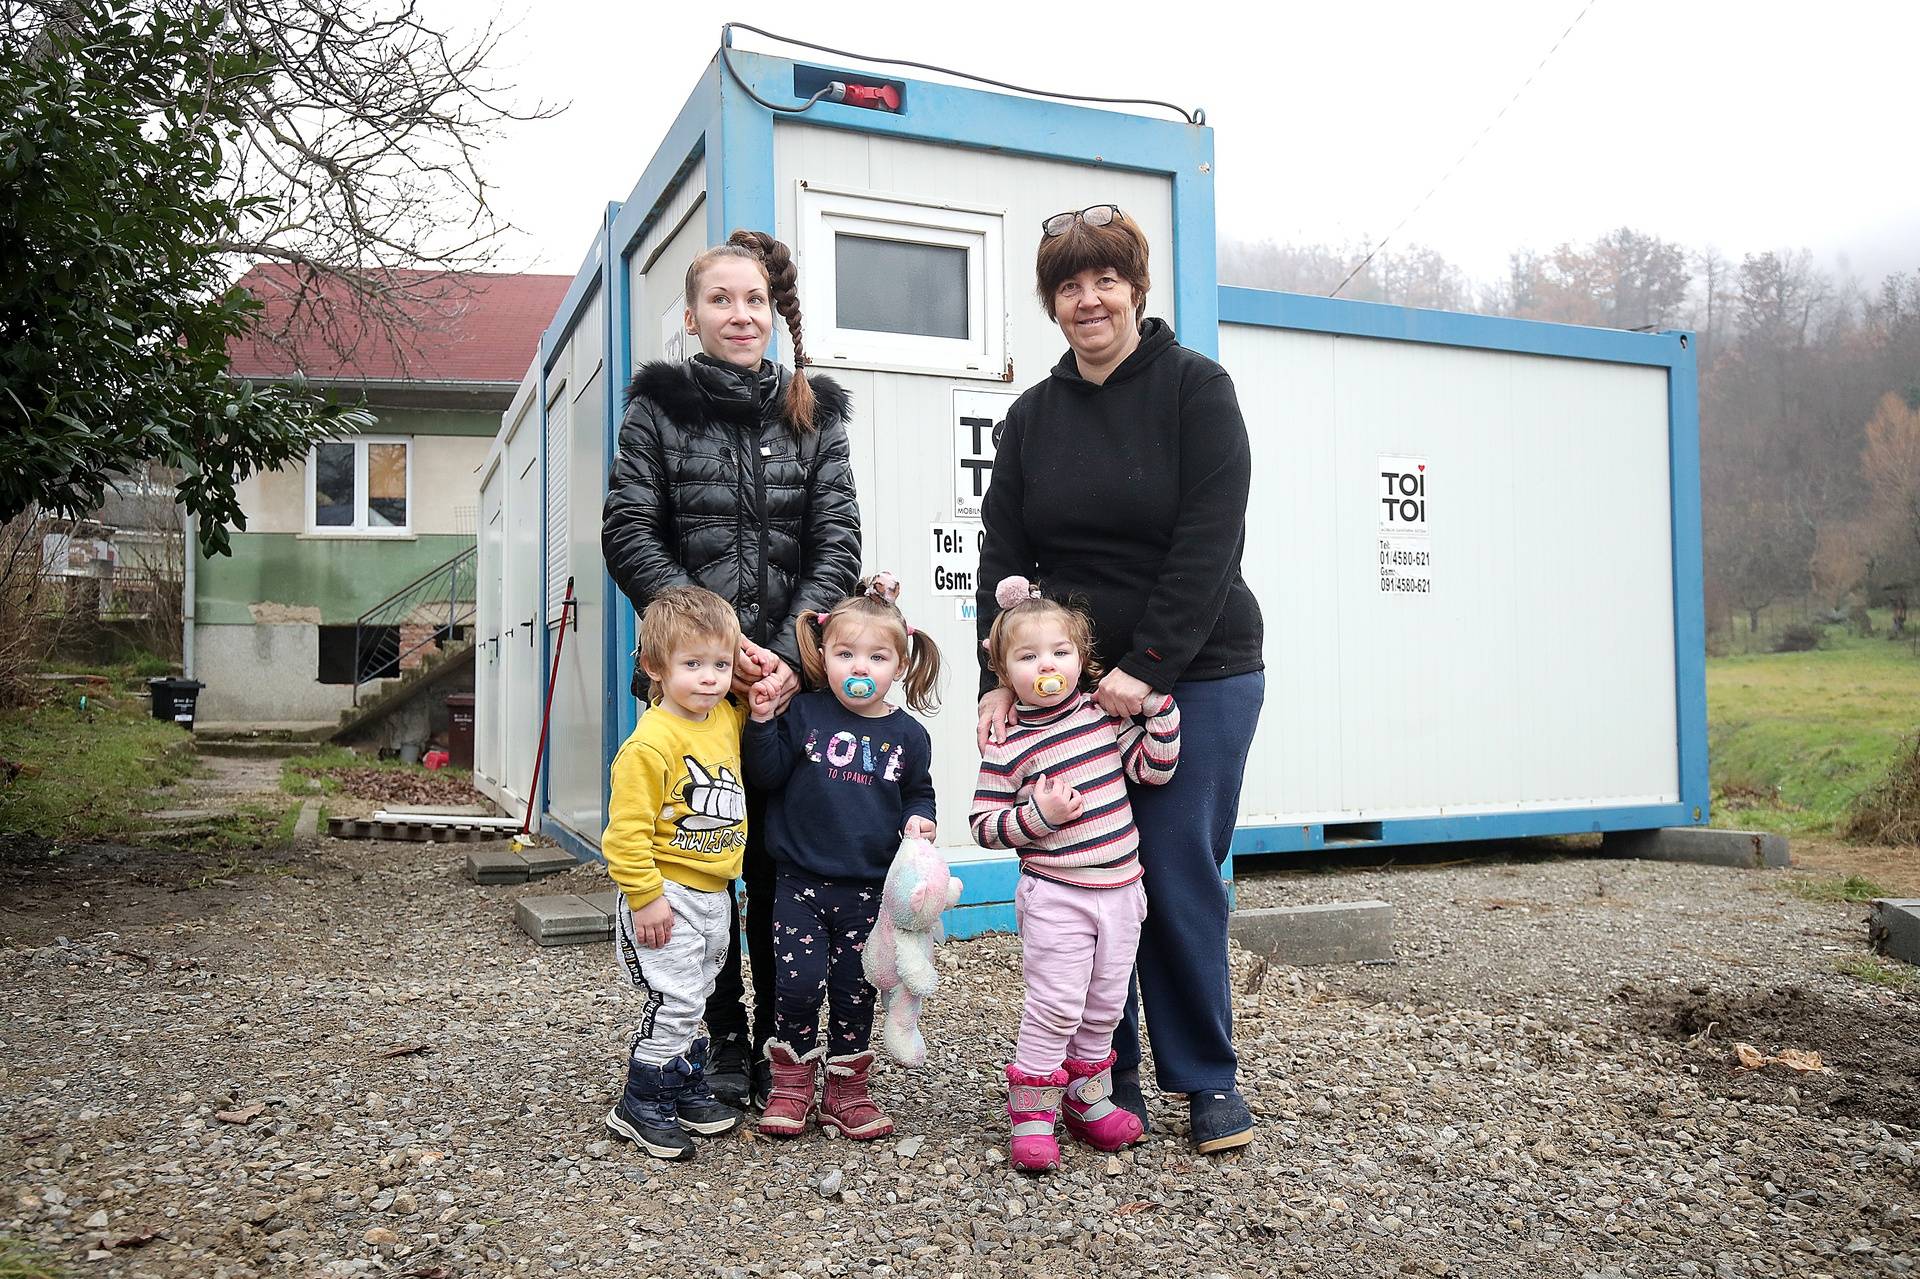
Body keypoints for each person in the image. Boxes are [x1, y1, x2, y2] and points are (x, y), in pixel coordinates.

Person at [974, 204, 1266, 1154]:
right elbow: (1002, 552)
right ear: (1051, 304)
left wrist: (1145, 669)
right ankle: (1104, 1079)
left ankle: (1205, 1079)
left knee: (1174, 874)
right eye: (1068, 284)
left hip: (1198, 668)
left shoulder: (1195, 389)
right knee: (1083, 875)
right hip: (1065, 687)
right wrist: (997, 673)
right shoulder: (1033, 417)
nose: (1087, 298)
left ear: (1137, 289)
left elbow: (1210, 541)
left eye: (1104, 279)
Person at [603, 230, 862, 1110]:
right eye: (720, 299)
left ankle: (773, 1041)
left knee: (776, 872)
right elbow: (628, 532)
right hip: (692, 686)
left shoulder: (813, 415)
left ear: (774, 311)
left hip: (785, 689)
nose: (738, 314)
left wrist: (792, 654)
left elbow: (838, 544)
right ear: (692, 315)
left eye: (753, 300)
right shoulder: (658, 413)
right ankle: (710, 1036)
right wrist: (710, 643)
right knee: (694, 856)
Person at [970, 576, 1181, 1173]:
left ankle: (1087, 1102)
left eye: (1059, 652)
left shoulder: (1098, 717)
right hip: (1056, 893)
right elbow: (986, 824)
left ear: (1081, 658)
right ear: (1003, 671)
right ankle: (1032, 1112)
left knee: (1105, 1007)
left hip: (1121, 890)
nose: (1047, 666)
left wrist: (1158, 708)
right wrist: (1040, 816)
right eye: (1028, 656)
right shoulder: (1007, 741)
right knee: (1056, 1004)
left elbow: (1155, 771)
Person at [740, 572, 942, 1141]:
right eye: (845, 653)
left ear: (899, 665)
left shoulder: (909, 736)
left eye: (877, 657)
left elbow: (918, 791)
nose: (860, 668)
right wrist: (761, 723)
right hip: (798, 883)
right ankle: (791, 1082)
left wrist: (920, 818)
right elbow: (768, 773)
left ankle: (846, 1089)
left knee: (855, 990)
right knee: (796, 984)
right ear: (822, 655)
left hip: (866, 891)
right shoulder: (803, 715)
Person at [601, 585, 753, 1162]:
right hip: (665, 893)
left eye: (721, 663)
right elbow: (625, 834)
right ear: (654, 668)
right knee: (675, 1002)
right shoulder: (650, 744)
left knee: (700, 992)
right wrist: (644, 898)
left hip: (715, 892)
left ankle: (684, 1084)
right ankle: (640, 1102)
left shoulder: (722, 720)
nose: (710, 678)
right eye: (692, 665)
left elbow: (752, 701)